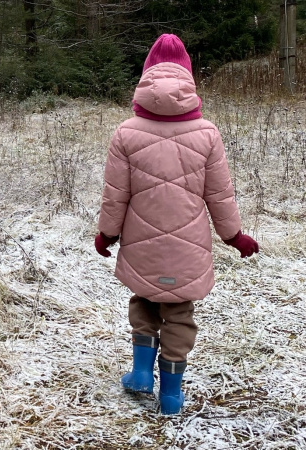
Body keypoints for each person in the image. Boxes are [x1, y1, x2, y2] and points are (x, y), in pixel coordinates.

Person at [94, 34, 259, 415]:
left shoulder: (126, 132)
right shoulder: (207, 133)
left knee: (144, 300)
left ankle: (140, 374)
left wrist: (107, 234)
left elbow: (115, 194)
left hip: (141, 243)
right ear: (188, 77)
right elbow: (220, 195)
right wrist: (234, 236)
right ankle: (171, 394)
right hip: (188, 247)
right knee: (179, 314)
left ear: (146, 76)